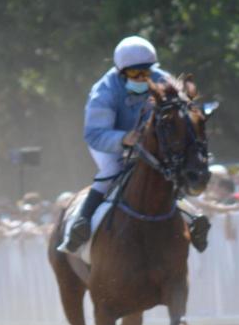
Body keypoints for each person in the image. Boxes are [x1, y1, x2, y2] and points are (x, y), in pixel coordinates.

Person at [59, 35, 184, 252]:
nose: (143, 78)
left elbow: (182, 115)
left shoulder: (163, 80)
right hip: (108, 142)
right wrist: (122, 139)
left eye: (147, 71)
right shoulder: (104, 91)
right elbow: (95, 134)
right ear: (120, 71)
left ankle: (191, 217)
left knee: (168, 168)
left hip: (147, 142)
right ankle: (82, 221)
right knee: (113, 168)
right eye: (135, 73)